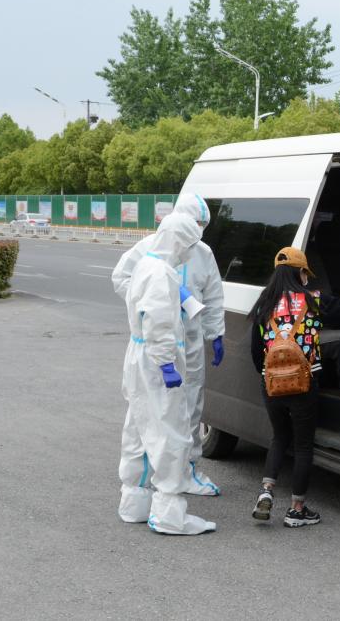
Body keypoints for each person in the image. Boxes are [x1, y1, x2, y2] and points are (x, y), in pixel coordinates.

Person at [249, 247, 340, 527]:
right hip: (303, 384)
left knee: (279, 437)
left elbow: (256, 352)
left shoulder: (263, 304)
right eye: (305, 273)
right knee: (303, 445)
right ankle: (296, 510)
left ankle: (266, 491)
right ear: (300, 273)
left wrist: (269, 374)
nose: (307, 277)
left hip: (271, 384)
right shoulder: (313, 300)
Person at [112, 193, 225, 496]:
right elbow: (122, 279)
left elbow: (213, 294)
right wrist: (157, 302)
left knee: (188, 407)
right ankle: (164, 489)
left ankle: (182, 472)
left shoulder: (201, 252)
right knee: (153, 416)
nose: (198, 231)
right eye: (195, 223)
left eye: (202, 225)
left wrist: (215, 332)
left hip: (186, 340)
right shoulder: (151, 253)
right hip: (156, 343)